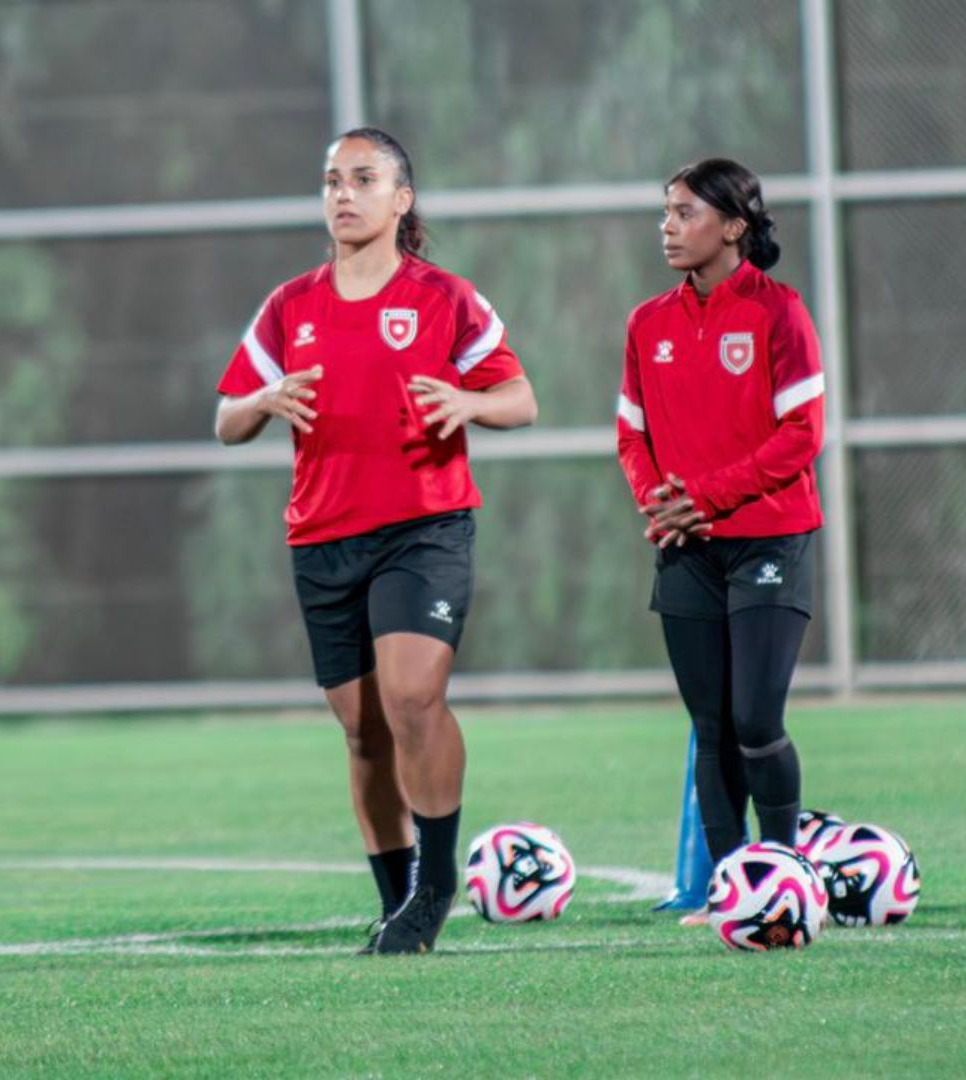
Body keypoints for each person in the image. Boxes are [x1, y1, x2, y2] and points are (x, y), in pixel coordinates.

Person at [214, 127, 537, 954]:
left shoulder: (444, 297)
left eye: (363, 179)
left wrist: (469, 405)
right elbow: (227, 421)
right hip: (323, 537)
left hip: (423, 528)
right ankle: (398, 904)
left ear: (402, 200)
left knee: (411, 697)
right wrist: (265, 399)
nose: (342, 194)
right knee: (362, 729)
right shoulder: (290, 306)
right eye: (331, 180)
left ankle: (434, 888)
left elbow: (520, 398)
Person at [615, 158, 825, 922]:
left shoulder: (780, 313)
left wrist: (702, 497)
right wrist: (659, 503)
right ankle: (731, 890)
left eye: (684, 212)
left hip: (771, 537)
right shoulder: (647, 323)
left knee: (756, 720)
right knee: (709, 727)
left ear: (734, 225)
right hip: (686, 550)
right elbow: (630, 436)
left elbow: (803, 436)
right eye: (665, 211)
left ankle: (790, 877)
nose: (668, 226)